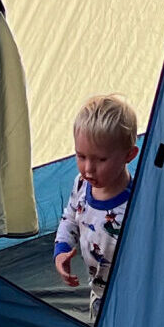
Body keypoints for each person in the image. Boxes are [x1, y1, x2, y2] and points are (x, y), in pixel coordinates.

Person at [52, 94, 141, 310]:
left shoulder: (137, 200)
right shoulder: (81, 185)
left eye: (101, 159)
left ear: (129, 155)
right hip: (98, 293)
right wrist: (61, 249)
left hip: (132, 299)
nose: (89, 169)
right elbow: (70, 217)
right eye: (81, 156)